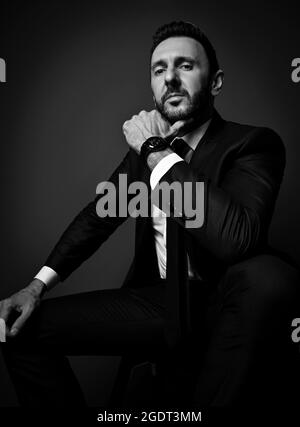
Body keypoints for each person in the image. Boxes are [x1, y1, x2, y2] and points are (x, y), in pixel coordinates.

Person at [0, 20, 299, 409]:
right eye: (160, 70)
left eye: (185, 66)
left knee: (270, 274)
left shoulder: (251, 144)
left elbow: (235, 239)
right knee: (17, 331)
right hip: (160, 303)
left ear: (216, 82)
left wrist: (156, 150)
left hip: (222, 300)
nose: (170, 79)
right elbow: (98, 218)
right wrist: (36, 286)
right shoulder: (142, 157)